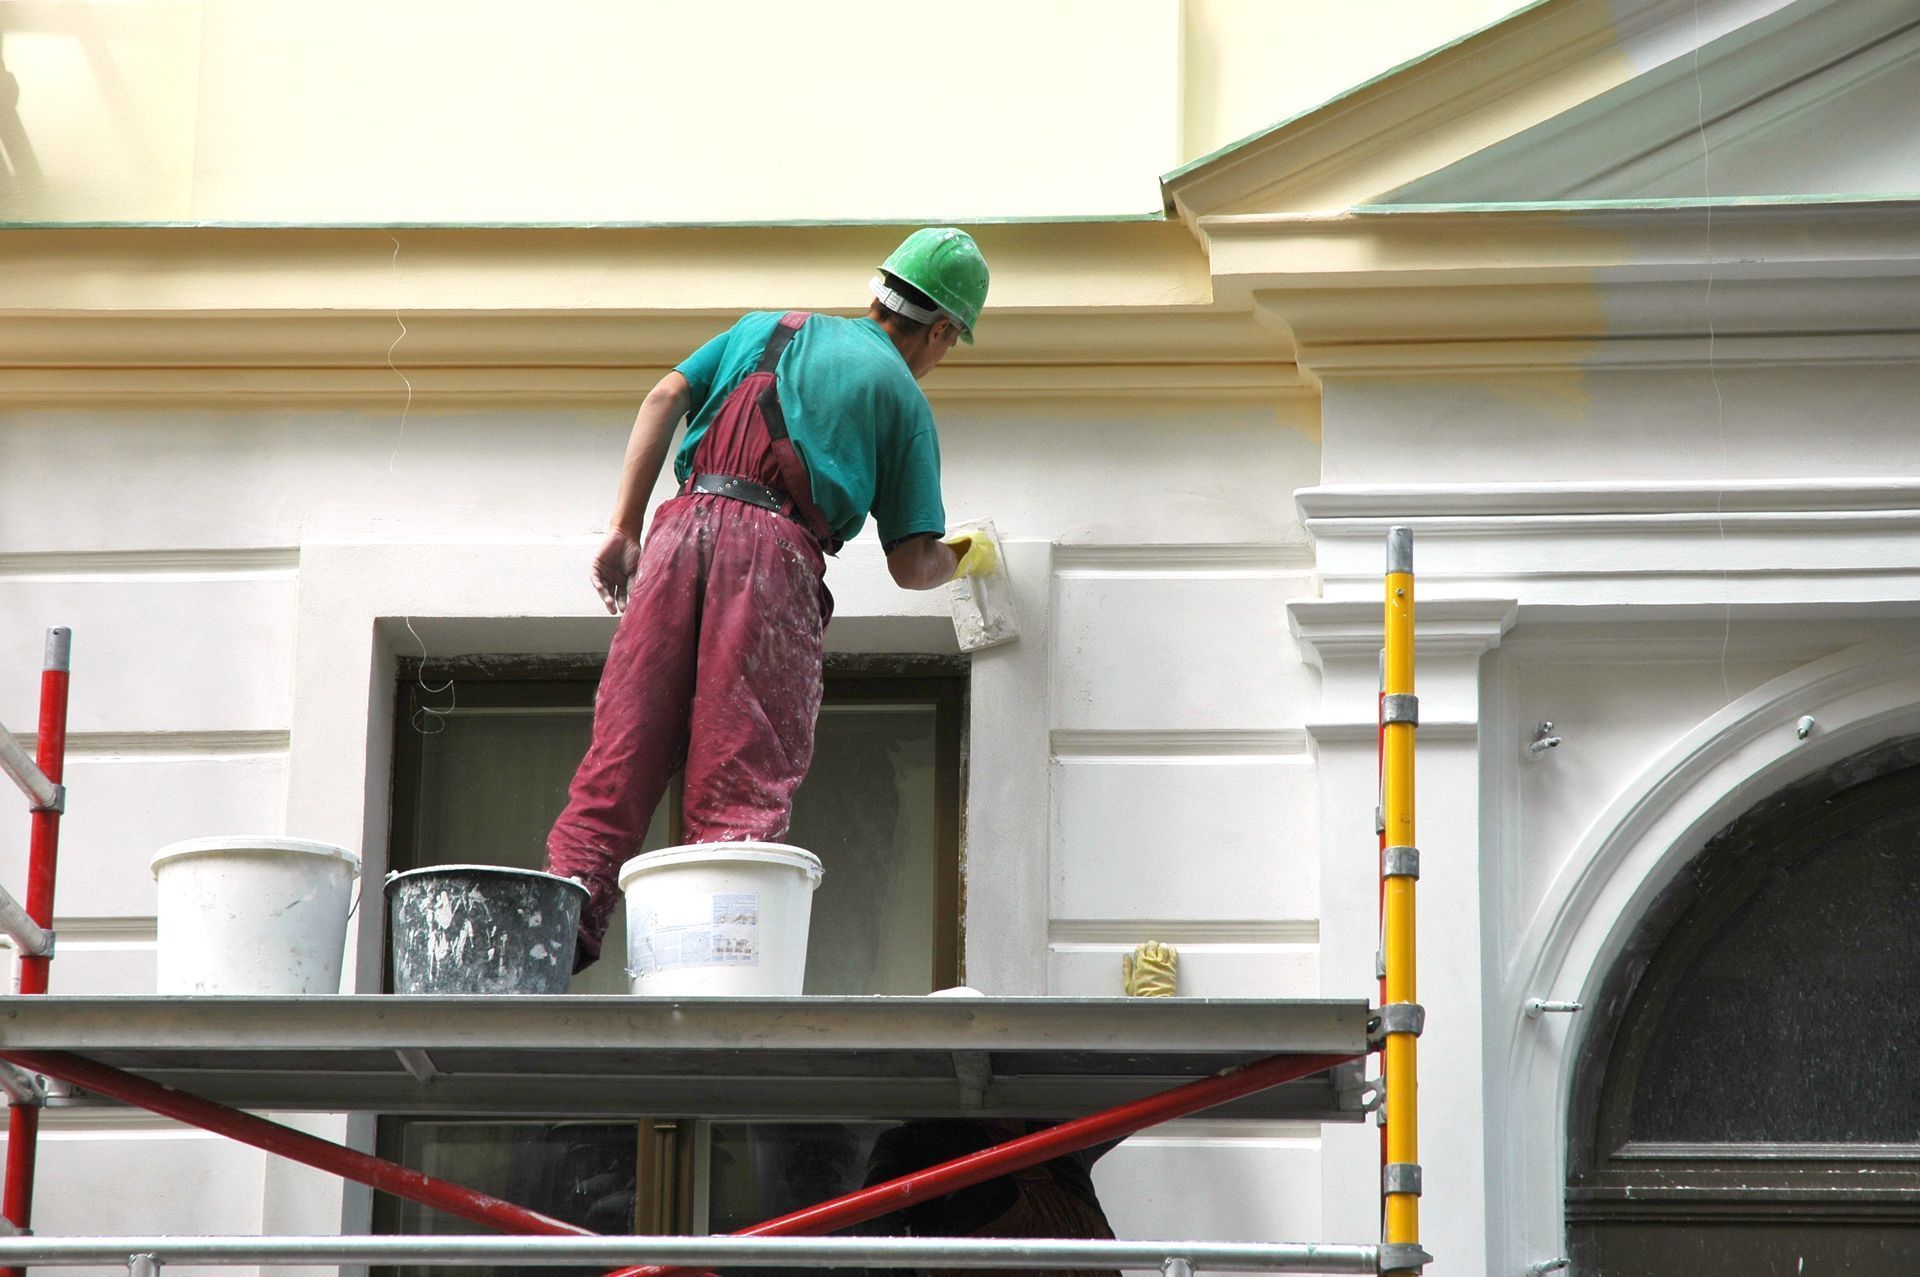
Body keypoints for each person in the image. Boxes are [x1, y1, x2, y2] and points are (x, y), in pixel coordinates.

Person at [546, 227, 997, 968]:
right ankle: (710, 978)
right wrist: (965, 556)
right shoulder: (900, 397)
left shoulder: (765, 328)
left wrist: (625, 529)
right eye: (951, 343)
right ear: (942, 329)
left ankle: (551, 942)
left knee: (620, 754)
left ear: (881, 292)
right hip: (770, 559)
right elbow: (911, 564)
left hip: (675, 532)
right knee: (739, 776)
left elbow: (664, 395)